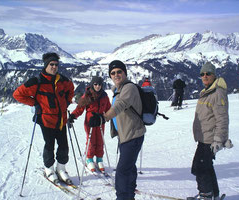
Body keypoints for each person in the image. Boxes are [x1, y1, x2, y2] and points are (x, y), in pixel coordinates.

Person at [88, 60, 146, 200]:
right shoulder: (117, 89)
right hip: (125, 135)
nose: (116, 74)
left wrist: (103, 118)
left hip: (133, 135)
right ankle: (129, 194)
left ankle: (122, 197)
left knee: (121, 172)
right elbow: (114, 107)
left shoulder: (129, 88)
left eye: (119, 71)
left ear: (124, 73)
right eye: (113, 73)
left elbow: (120, 105)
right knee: (129, 168)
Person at [13, 52, 74, 183]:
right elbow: (17, 94)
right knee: (49, 146)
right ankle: (49, 169)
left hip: (61, 119)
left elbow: (71, 89)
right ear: (46, 65)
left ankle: (61, 169)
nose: (54, 67)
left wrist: (67, 102)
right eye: (51, 64)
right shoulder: (37, 82)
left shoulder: (63, 80)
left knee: (64, 146)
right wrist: (35, 103)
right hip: (46, 120)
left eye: (56, 65)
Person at [191, 62, 232, 200]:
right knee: (206, 166)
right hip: (203, 137)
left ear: (214, 75)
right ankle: (213, 193)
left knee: (199, 168)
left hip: (210, 139)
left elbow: (222, 119)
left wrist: (218, 140)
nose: (205, 76)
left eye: (208, 73)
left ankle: (206, 195)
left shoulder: (217, 92)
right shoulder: (207, 91)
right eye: (202, 74)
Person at [68, 76, 111, 172]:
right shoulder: (87, 95)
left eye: (100, 84)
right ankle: (89, 158)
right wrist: (73, 116)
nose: (98, 86)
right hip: (90, 120)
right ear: (92, 84)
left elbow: (108, 108)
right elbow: (80, 108)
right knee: (91, 140)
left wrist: (108, 117)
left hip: (100, 120)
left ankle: (99, 158)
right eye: (95, 84)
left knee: (100, 139)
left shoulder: (104, 96)